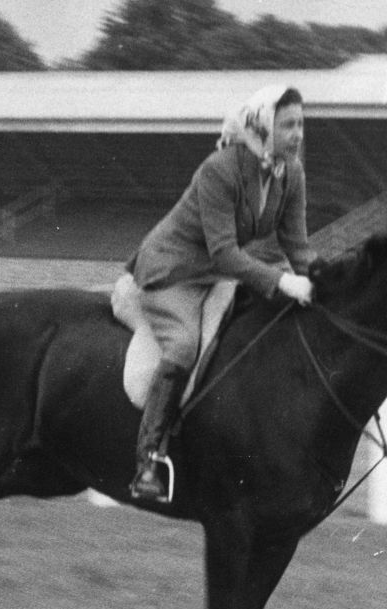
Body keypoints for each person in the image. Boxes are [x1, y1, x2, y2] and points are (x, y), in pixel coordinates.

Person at [127, 84, 317, 503]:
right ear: (263, 127)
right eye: (288, 125)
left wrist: (322, 283)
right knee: (182, 346)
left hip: (216, 274)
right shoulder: (220, 169)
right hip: (171, 270)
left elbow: (297, 246)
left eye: (302, 123)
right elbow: (226, 253)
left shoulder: (292, 174)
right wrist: (282, 281)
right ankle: (148, 461)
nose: (298, 134)